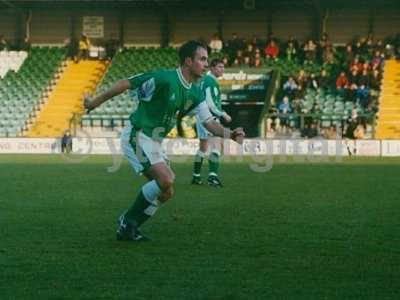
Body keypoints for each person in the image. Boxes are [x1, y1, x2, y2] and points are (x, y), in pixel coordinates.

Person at [83, 40, 245, 242]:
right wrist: (94, 102)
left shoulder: (196, 93)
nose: (206, 64)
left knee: (166, 192)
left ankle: (129, 227)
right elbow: (126, 83)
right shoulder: (164, 78)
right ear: (188, 61)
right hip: (138, 134)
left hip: (156, 143)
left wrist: (230, 134)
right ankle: (128, 220)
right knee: (166, 179)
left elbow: (210, 123)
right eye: (202, 59)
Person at [191, 58, 231, 187]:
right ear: (212, 68)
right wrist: (222, 114)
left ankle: (196, 176)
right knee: (217, 145)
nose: (222, 69)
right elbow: (210, 103)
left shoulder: (204, 80)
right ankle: (212, 177)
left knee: (203, 147)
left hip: (201, 116)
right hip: (209, 117)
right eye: (219, 67)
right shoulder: (210, 81)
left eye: (223, 67)